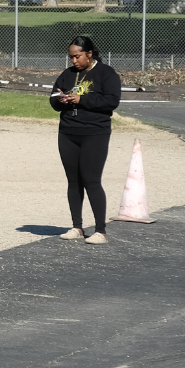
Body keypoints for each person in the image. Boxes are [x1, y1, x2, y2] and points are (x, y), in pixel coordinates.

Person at [52, 36, 121, 244]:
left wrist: (82, 99)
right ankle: (77, 227)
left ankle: (100, 231)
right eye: (71, 57)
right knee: (73, 181)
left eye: (77, 56)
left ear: (89, 54)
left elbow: (111, 101)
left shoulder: (106, 73)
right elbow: (53, 101)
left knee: (91, 180)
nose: (74, 60)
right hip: (68, 133)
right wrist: (60, 100)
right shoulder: (67, 75)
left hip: (94, 133)